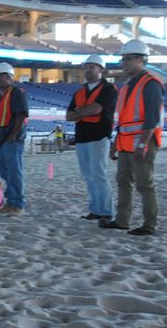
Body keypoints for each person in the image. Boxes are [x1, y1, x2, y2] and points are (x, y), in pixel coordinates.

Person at [99, 39, 165, 236]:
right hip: (126, 143)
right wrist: (115, 145)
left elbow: (152, 119)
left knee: (145, 184)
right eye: (123, 59)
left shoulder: (151, 84)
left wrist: (143, 144)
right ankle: (122, 220)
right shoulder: (127, 86)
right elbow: (124, 121)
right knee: (123, 182)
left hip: (142, 143)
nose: (124, 63)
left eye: (128, 59)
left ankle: (149, 224)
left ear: (141, 59)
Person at [66, 55, 118, 222]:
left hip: (99, 136)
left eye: (92, 67)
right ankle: (95, 209)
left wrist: (79, 112)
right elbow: (68, 116)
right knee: (88, 175)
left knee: (99, 174)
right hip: (82, 137)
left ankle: (106, 211)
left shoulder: (108, 89)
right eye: (86, 67)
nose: (88, 70)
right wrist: (84, 111)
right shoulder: (80, 91)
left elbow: (96, 109)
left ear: (101, 70)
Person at [0, 62, 28, 216]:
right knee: (5, 172)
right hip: (0, 139)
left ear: (9, 77)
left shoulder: (18, 93)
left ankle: (16, 204)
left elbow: (22, 114)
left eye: (1, 77)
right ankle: (12, 200)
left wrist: (13, 134)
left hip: (12, 139)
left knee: (14, 171)